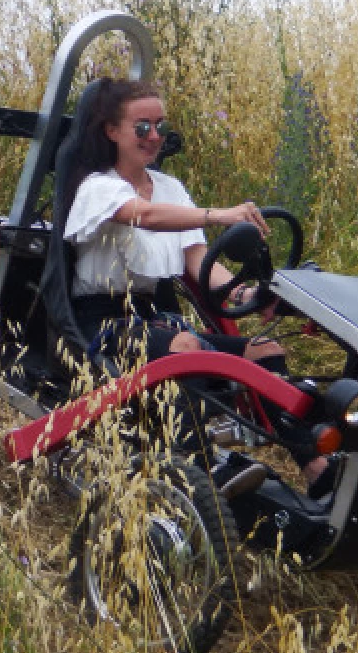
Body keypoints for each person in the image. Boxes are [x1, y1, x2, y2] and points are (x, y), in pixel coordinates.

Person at [63, 78, 335, 498]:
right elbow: (144, 216)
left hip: (155, 320)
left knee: (266, 351)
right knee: (184, 346)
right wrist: (217, 214)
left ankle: (318, 471)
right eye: (141, 127)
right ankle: (201, 470)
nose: (154, 137)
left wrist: (250, 296)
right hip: (101, 323)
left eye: (159, 127)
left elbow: (201, 267)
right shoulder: (98, 187)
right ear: (111, 131)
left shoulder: (171, 189)